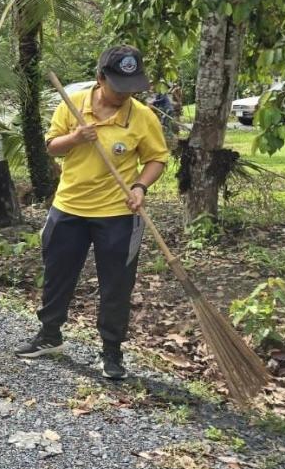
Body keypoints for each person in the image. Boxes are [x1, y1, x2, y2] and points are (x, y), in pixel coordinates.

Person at [15, 45, 170, 380]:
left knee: (116, 285)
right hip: (69, 207)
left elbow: (156, 159)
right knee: (57, 275)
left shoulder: (143, 117)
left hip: (117, 213)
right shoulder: (72, 106)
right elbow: (51, 147)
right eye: (119, 86)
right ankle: (49, 336)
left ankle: (112, 352)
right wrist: (76, 137)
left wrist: (141, 187)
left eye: (133, 86)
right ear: (100, 79)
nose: (127, 94)